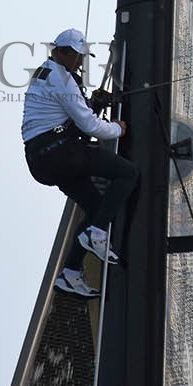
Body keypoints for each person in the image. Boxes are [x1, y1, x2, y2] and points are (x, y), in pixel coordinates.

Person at [22, 28, 138, 297]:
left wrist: (91, 105)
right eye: (77, 56)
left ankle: (71, 273)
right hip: (59, 153)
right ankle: (98, 234)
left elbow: (66, 119)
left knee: (96, 206)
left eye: (83, 58)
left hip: (41, 160)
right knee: (127, 173)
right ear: (62, 52)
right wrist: (118, 129)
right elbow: (88, 125)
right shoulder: (62, 80)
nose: (80, 63)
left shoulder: (45, 73)